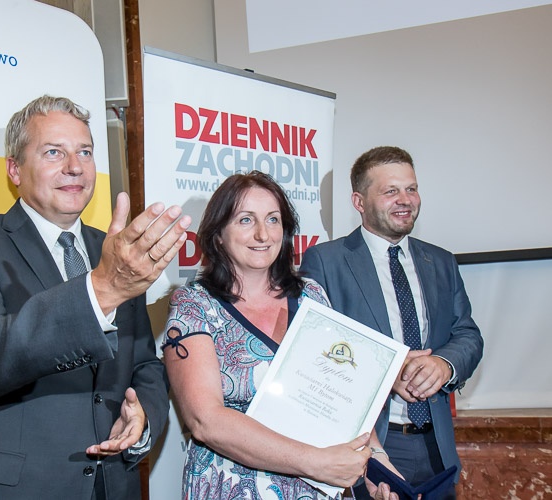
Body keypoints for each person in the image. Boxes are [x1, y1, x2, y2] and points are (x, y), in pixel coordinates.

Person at [0, 95, 191, 499]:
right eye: (54, 152)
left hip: (110, 486)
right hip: (13, 489)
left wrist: (144, 415)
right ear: (14, 169)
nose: (75, 166)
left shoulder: (115, 251)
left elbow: (143, 364)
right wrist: (102, 288)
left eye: (84, 152)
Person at [161, 171, 399, 500]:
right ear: (218, 236)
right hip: (233, 488)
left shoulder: (312, 296)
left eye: (273, 219)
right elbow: (206, 421)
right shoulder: (194, 306)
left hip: (316, 487)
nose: (263, 234)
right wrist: (315, 463)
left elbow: (344, 395)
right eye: (246, 220)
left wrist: (376, 462)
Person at [300, 146, 483, 499]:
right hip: (371, 445)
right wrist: (386, 372)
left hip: (437, 447)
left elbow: (467, 335)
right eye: (391, 191)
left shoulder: (441, 261)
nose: (405, 200)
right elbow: (313, 350)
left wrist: (443, 365)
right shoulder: (325, 261)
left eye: (411, 189)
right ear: (359, 201)